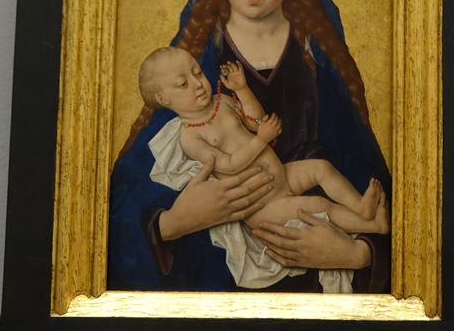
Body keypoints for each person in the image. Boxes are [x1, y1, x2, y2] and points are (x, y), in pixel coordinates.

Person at [108, 0, 391, 293]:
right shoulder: (188, 67)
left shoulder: (319, 54)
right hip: (222, 285)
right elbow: (121, 207)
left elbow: (380, 187)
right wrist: (172, 223)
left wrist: (357, 255)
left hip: (318, 277)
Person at [139, 47, 389, 235]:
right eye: (183, 84)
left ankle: (360, 206)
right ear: (163, 99)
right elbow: (227, 165)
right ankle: (373, 226)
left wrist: (242, 90)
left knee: (321, 167)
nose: (197, 84)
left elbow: (254, 121)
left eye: (197, 73)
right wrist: (261, 141)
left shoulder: (221, 102)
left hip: (281, 177)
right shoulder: (190, 136)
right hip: (262, 206)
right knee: (318, 204)